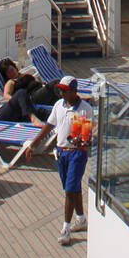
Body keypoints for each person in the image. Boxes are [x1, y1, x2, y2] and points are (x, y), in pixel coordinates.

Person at [28, 77, 94, 245]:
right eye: (60, 90)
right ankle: (81, 219)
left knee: (70, 191)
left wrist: (81, 141)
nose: (61, 93)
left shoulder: (85, 110)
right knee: (72, 187)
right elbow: (49, 126)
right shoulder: (59, 105)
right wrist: (33, 144)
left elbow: (84, 137)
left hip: (76, 154)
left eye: (64, 90)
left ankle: (65, 228)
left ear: (73, 91)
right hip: (61, 152)